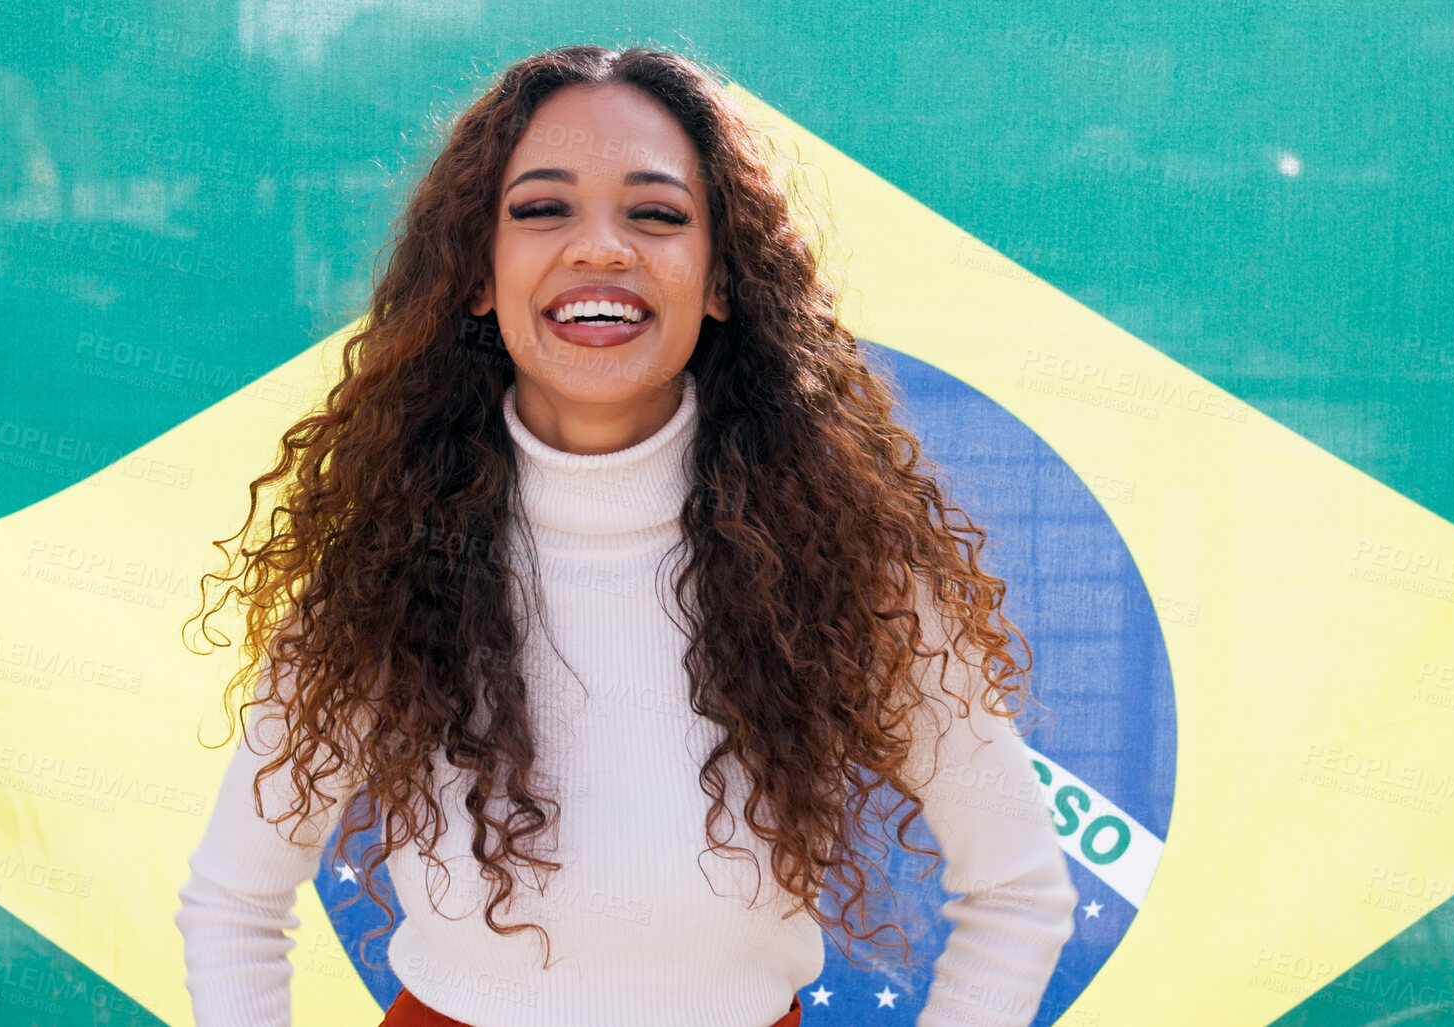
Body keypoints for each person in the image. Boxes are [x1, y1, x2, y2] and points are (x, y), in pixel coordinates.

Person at [176, 44, 1077, 1027]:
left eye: (655, 214)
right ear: (477, 274)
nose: (601, 248)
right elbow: (234, 902)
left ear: (722, 279)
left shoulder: (846, 562)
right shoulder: (388, 563)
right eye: (541, 208)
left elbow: (1020, 890)